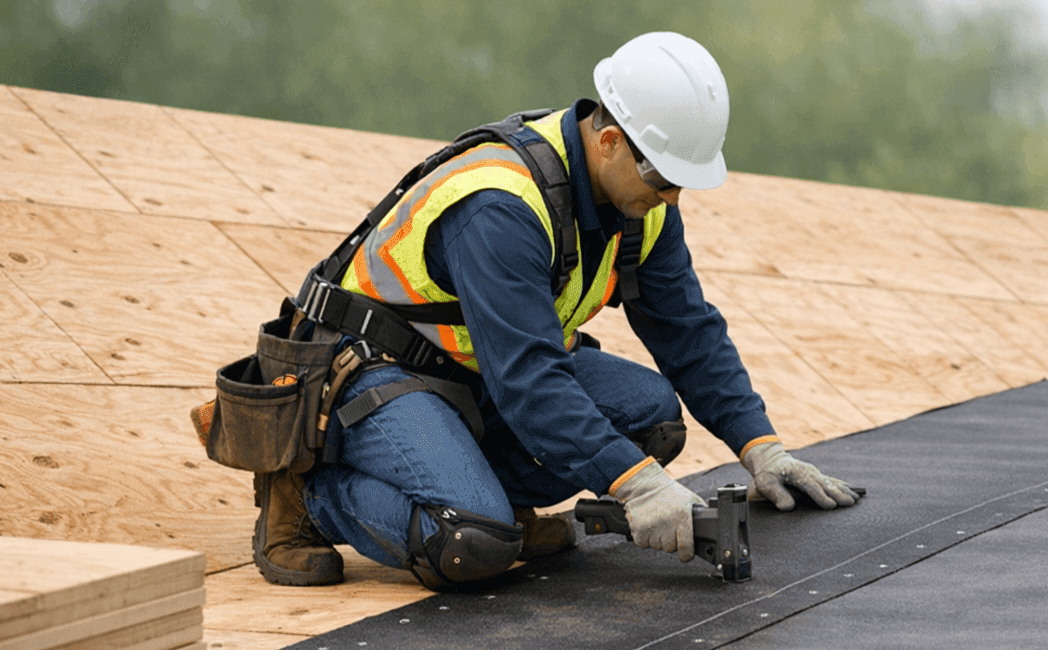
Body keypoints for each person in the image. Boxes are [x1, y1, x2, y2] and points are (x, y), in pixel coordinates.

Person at [254, 31, 858, 590]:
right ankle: (311, 497)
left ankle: (478, 493)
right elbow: (529, 377)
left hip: (473, 373)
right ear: (610, 141)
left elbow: (688, 331)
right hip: (376, 376)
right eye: (665, 177)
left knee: (651, 420)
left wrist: (761, 448)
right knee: (472, 543)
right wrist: (638, 486)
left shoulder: (641, 206)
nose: (672, 198)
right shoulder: (500, 205)